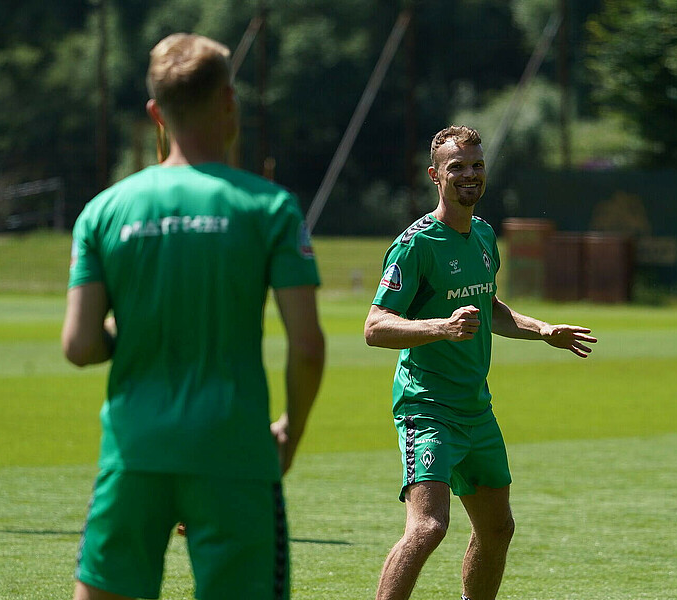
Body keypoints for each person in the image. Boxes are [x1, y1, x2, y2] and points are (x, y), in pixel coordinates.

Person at [62, 33, 325, 600]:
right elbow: (307, 345)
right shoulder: (269, 207)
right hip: (236, 452)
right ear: (229, 101)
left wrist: (134, 330)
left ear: (156, 112)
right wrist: (290, 435)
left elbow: (80, 345)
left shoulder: (104, 211)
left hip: (134, 452)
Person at [364, 125, 597, 600]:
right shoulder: (416, 245)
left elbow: (490, 307)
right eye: (457, 167)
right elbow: (374, 326)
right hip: (427, 408)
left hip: (476, 410)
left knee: (497, 530)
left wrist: (543, 330)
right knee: (428, 528)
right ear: (435, 175)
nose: (469, 175)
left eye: (476, 166)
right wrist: (441, 328)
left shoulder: (486, 236)